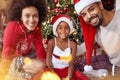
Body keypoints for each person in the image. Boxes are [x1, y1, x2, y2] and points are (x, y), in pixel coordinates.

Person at [0, 0, 47, 80]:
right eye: (27, 16)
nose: (32, 20)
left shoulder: (37, 29)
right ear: (21, 17)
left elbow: (41, 53)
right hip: (13, 58)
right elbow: (7, 56)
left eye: (35, 16)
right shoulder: (12, 28)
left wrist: (43, 65)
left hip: (27, 56)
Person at [74, 0, 120, 77]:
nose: (89, 16)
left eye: (91, 9)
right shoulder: (95, 31)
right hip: (115, 69)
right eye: (84, 14)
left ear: (100, 5)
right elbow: (85, 47)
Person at [46, 14, 89, 80]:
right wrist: (54, 75)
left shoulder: (72, 44)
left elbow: (71, 63)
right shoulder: (52, 42)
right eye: (60, 28)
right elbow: (48, 61)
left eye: (66, 28)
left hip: (68, 69)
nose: (63, 31)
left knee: (82, 78)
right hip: (53, 69)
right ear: (56, 30)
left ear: (70, 30)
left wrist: (69, 77)